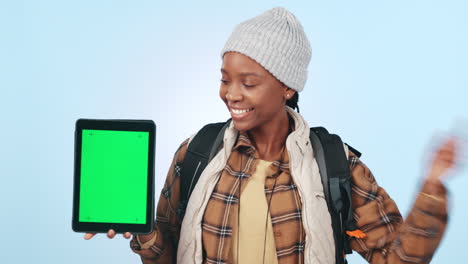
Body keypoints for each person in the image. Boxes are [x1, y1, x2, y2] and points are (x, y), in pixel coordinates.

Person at [84, 7, 463, 264]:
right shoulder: (196, 153)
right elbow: (165, 255)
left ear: (287, 88)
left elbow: (396, 257)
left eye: (248, 82)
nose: (231, 94)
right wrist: (144, 232)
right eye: (225, 78)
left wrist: (431, 189)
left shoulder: (335, 165)